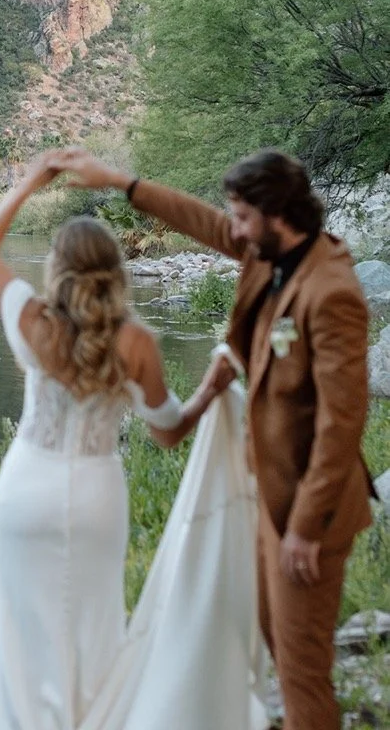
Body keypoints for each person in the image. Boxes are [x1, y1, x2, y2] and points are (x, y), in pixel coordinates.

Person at [59, 145, 374, 730]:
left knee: (302, 670)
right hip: (270, 494)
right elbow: (201, 221)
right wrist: (124, 183)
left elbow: (342, 422)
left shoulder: (331, 294)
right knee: (277, 645)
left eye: (242, 216)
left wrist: (304, 529)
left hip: (310, 513)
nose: (231, 229)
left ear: (277, 212)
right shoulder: (270, 250)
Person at [0, 151, 231, 730]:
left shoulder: (35, 322)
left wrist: (33, 181)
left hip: (25, 491)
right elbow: (167, 433)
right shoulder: (136, 341)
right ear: (115, 268)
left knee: (22, 635)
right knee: (93, 629)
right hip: (94, 496)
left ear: (57, 268)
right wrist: (209, 391)